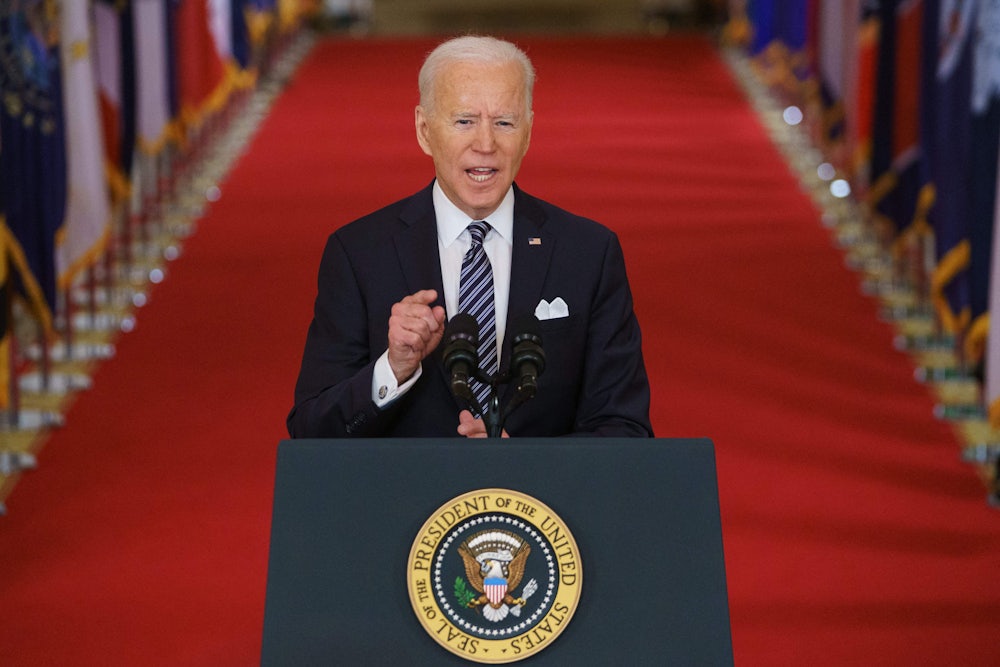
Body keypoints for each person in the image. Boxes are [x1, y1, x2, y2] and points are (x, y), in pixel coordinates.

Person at [287, 35, 652, 439]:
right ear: (425, 131)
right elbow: (311, 430)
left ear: (528, 132)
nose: (485, 145)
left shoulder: (588, 253)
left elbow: (624, 427)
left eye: (504, 123)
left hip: (540, 502)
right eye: (464, 121)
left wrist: (529, 465)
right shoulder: (359, 255)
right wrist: (394, 367)